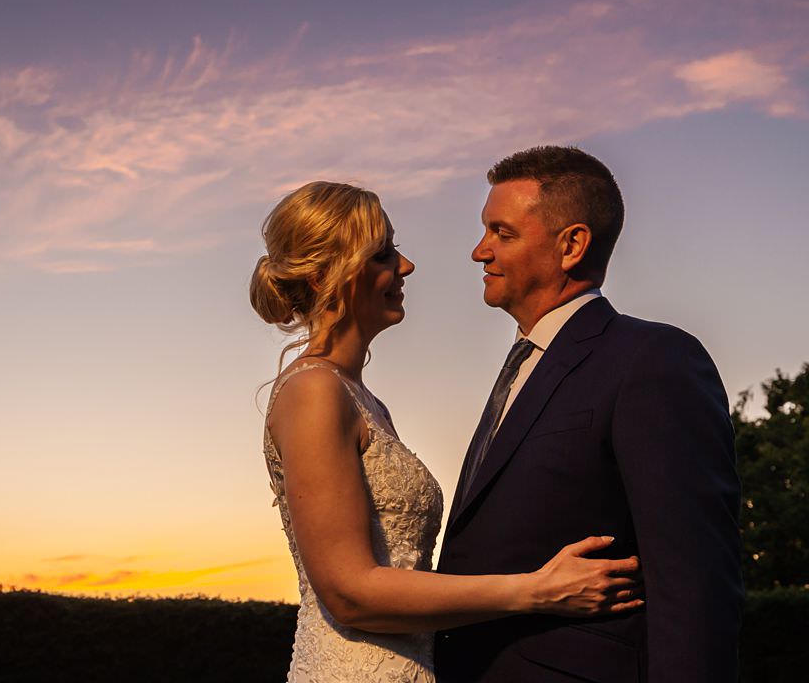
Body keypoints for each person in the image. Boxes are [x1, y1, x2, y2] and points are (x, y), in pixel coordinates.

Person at [251, 181, 644, 683]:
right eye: (383, 254)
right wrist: (537, 590)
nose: (406, 266)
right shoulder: (313, 393)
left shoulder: (361, 399)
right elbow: (349, 593)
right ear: (331, 272)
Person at [435, 146, 743, 682]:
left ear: (572, 245)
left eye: (501, 233)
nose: (479, 251)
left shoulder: (651, 360)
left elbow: (696, 581)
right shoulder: (521, 366)